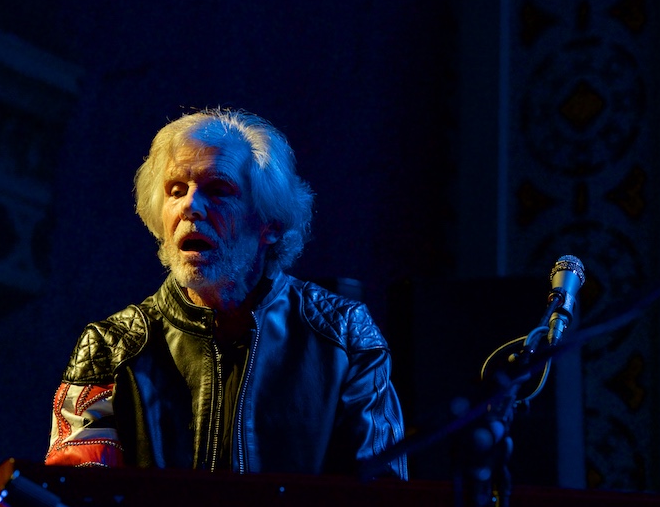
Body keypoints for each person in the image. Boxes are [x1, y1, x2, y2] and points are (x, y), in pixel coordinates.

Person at [45, 107, 407, 479]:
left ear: (269, 224)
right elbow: (73, 502)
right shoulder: (110, 346)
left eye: (218, 190)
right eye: (176, 190)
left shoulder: (344, 336)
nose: (189, 206)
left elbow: (380, 505)